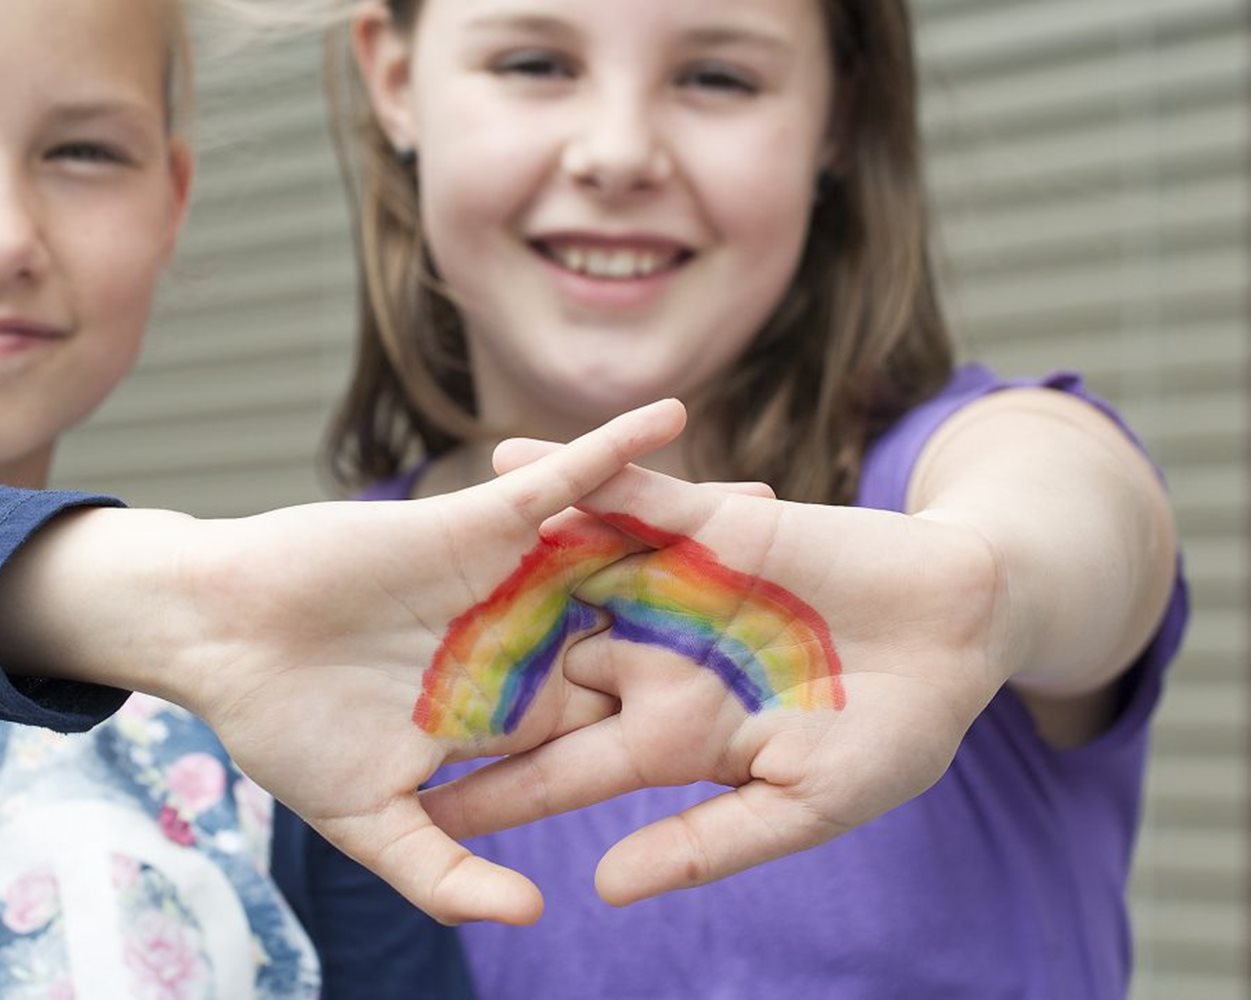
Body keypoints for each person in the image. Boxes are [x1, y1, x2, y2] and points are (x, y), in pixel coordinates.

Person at [317, 0, 1190, 996]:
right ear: (396, 83)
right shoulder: (320, 615)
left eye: (716, 78)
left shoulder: (950, 484)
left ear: (836, 119)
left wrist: (985, 587)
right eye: (533, 63)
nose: (617, 154)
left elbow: (1076, 512)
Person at [0, 0, 695, 993]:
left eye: (84, 152)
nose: (1, 237)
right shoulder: (229, 626)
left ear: (172, 200)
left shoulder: (269, 713)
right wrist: (185, 605)